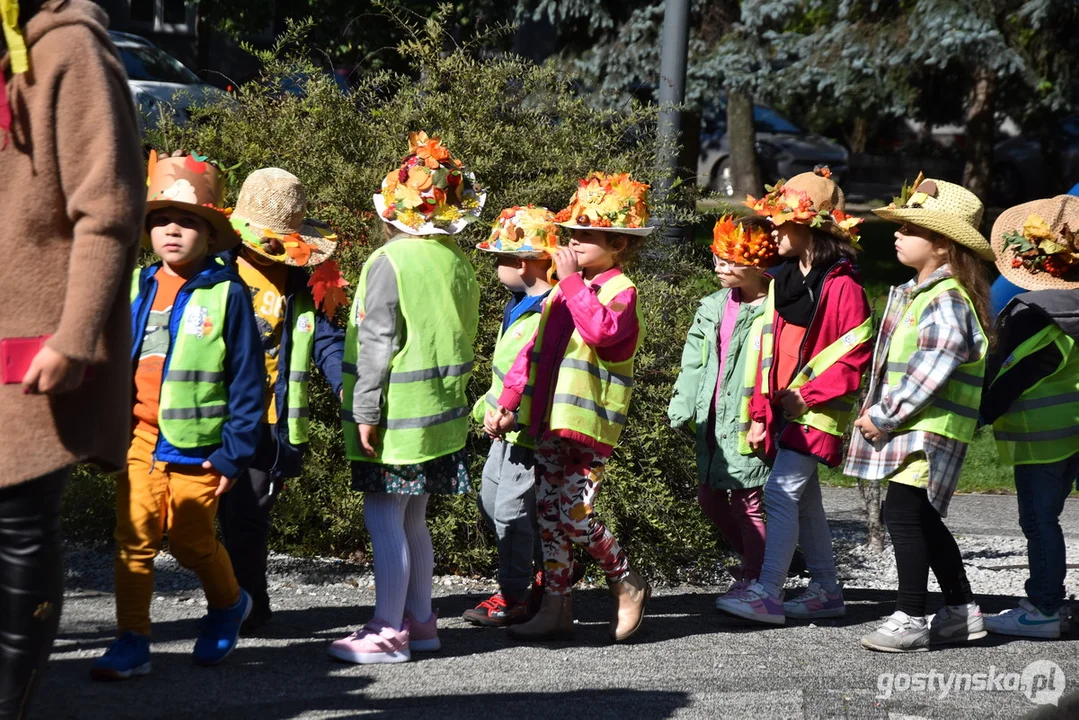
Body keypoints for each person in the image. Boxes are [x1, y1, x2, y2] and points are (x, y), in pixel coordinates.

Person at [0, 0, 143, 713]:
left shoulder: (69, 48)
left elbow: (108, 209)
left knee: (17, 525)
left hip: (32, 350)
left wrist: (75, 337)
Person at [91, 152, 264, 680]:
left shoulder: (228, 294)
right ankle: (133, 639)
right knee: (134, 539)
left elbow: (247, 382)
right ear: (146, 230)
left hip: (200, 448)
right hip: (138, 437)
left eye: (188, 221)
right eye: (162, 219)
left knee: (192, 543)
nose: (173, 230)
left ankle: (229, 605)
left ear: (210, 236)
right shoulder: (136, 285)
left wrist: (233, 456)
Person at [330, 132, 482, 664]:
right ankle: (421, 621)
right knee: (413, 516)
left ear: (391, 213)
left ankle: (387, 628)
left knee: (382, 513)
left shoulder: (387, 262)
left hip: (396, 418)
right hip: (441, 418)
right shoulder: (456, 262)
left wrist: (364, 410)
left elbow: (376, 342)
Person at [489, 172, 652, 643]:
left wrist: (571, 284)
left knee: (575, 513)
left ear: (618, 245)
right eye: (572, 234)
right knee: (548, 515)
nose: (574, 242)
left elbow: (603, 334)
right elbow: (532, 350)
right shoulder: (567, 287)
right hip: (548, 421)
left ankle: (626, 579)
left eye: (587, 236)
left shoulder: (621, 291)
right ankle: (557, 607)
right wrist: (508, 400)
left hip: (588, 425)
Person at [716, 167, 873, 626]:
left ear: (808, 228)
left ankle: (767, 591)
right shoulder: (784, 278)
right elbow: (769, 349)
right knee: (804, 502)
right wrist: (764, 405)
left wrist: (808, 396)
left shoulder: (842, 286)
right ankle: (825, 588)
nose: (772, 230)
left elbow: (855, 353)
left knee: (780, 494)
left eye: (780, 221)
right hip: (785, 407)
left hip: (815, 411)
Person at [848, 177, 994, 653]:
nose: (897, 233)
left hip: (925, 429)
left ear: (943, 244)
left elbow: (933, 367)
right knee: (923, 518)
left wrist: (885, 414)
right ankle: (960, 610)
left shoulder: (947, 297)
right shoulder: (922, 292)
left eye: (910, 227)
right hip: (921, 425)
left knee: (904, 515)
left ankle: (911, 615)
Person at [223, 167, 346, 632]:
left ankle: (249, 606)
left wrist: (342, 384)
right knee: (200, 516)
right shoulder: (219, 271)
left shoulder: (302, 284)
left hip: (270, 420)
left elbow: (327, 340)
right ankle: (225, 597)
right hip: (216, 414)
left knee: (249, 517)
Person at [980, 194, 1079, 640]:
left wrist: (976, 414)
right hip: (1073, 431)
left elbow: (1011, 375)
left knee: (1039, 522)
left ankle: (1043, 606)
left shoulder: (1031, 313)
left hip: (1041, 437)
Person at [667, 216, 780, 605]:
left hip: (749, 420)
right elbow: (693, 362)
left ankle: (757, 574)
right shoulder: (713, 306)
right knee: (709, 498)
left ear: (758, 263)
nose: (719, 268)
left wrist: (764, 417)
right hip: (712, 417)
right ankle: (758, 561)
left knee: (748, 501)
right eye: (717, 258)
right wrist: (683, 406)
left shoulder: (777, 308)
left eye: (730, 261)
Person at [464, 206, 560, 626]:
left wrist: (511, 412)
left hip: (525, 431)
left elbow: (533, 373)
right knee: (491, 500)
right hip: (503, 429)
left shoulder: (549, 311)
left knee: (511, 511)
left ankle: (517, 593)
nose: (496, 267)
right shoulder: (520, 303)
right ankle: (543, 573)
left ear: (523, 263)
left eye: (499, 259)